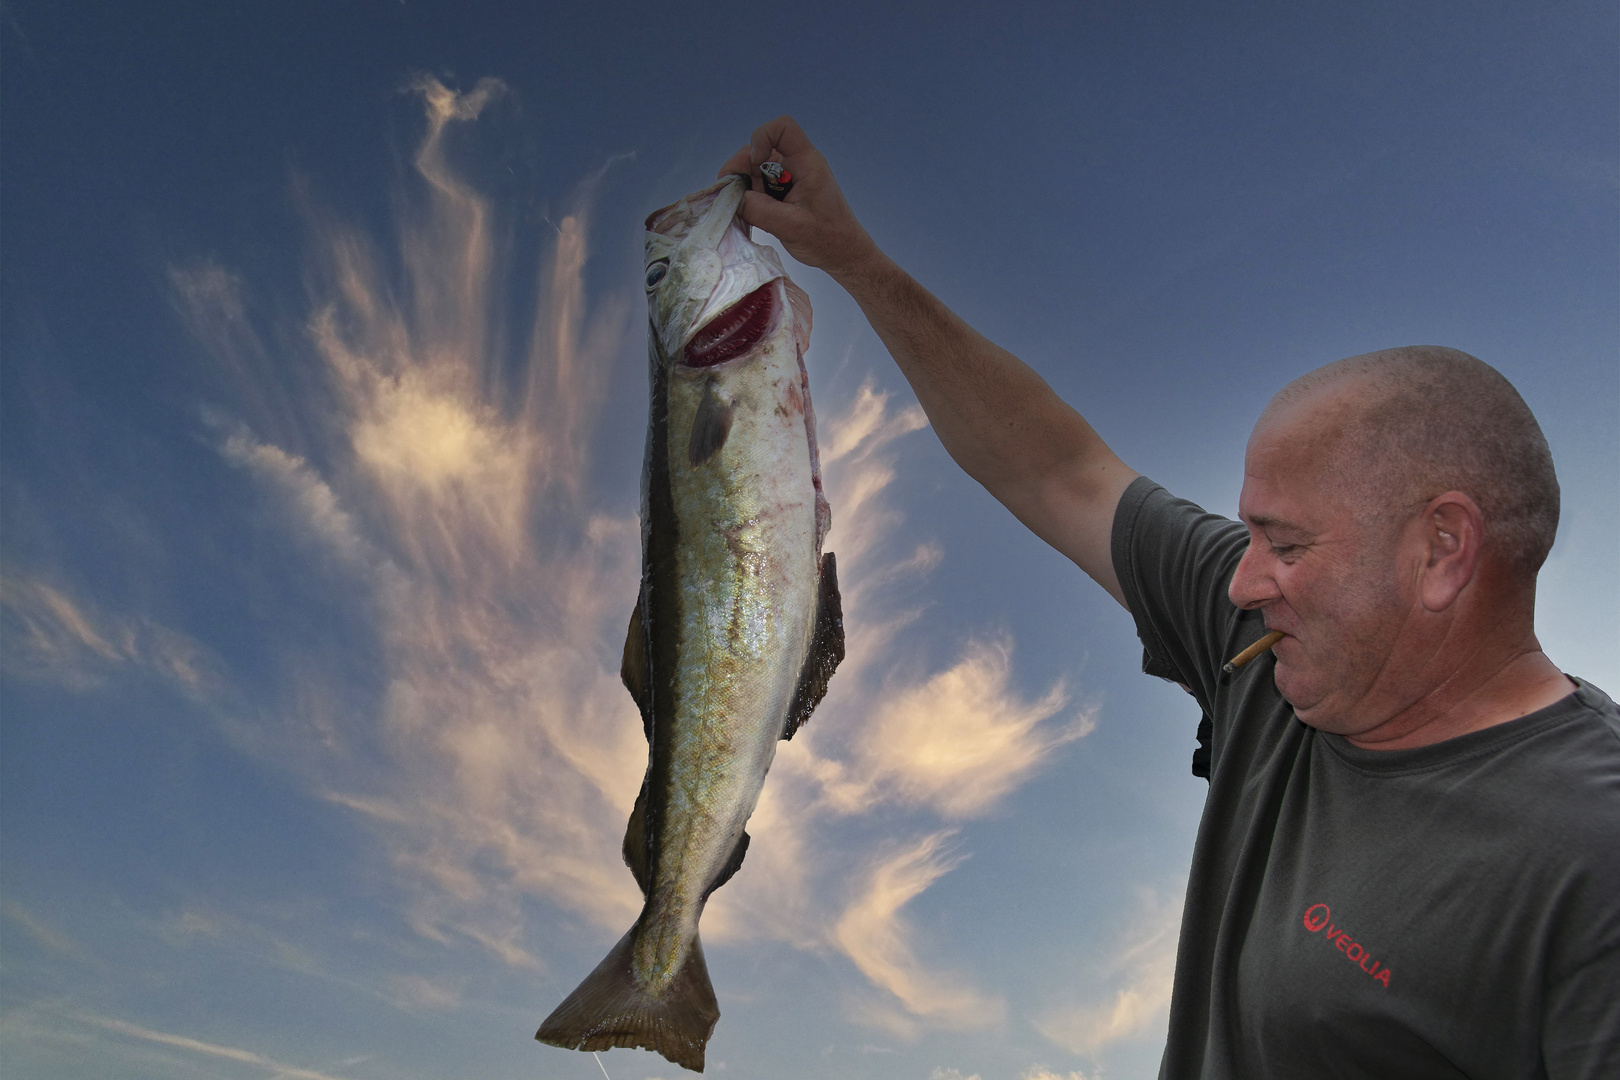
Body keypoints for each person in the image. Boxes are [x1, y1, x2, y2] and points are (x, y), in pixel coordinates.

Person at [718, 118, 1619, 1078]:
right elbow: (1054, 470)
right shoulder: (1267, 651)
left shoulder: (1591, 861)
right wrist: (856, 260)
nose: (1242, 578)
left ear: (1442, 551)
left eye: (1286, 544)